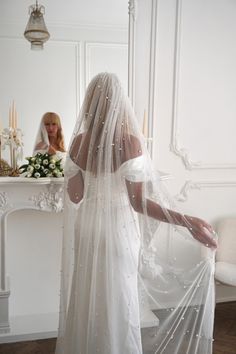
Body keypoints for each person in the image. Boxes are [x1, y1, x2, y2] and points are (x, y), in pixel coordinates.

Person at [55, 73, 217, 354]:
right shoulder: (130, 142)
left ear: (89, 103)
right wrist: (187, 220)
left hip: (88, 226)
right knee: (120, 300)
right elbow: (139, 203)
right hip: (118, 229)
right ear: (120, 102)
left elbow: (76, 196)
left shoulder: (78, 142)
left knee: (87, 297)